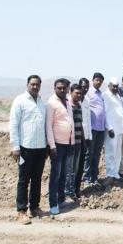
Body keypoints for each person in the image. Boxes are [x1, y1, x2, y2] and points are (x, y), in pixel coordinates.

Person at [9, 75, 47, 224]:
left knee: (37, 179)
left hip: (40, 147)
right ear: (27, 85)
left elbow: (44, 126)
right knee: (24, 180)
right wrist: (15, 147)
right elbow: (13, 125)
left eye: (37, 84)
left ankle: (35, 207)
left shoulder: (42, 103)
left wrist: (46, 147)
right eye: (32, 84)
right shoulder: (20, 101)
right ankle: (22, 211)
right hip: (25, 147)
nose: (35, 87)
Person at [46, 78, 75, 215]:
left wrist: (72, 141)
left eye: (64, 88)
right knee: (56, 175)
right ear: (54, 88)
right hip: (57, 144)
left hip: (68, 143)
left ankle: (61, 199)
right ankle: (53, 204)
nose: (62, 90)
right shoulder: (51, 103)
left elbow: (70, 122)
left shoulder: (68, 102)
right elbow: (48, 126)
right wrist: (52, 146)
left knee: (64, 173)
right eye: (59, 88)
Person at [103, 78, 123, 185]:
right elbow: (104, 112)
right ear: (109, 85)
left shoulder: (118, 96)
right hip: (112, 129)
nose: (115, 88)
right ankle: (110, 174)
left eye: (117, 86)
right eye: (113, 86)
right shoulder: (105, 95)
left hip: (120, 128)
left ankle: (115, 173)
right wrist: (109, 128)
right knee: (110, 152)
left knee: (118, 152)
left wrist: (122, 97)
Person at [83, 72, 106, 186]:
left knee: (97, 154)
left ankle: (94, 177)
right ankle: (86, 178)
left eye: (101, 81)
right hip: (92, 128)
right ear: (93, 80)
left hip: (101, 128)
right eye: (97, 80)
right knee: (89, 153)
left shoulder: (101, 94)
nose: (99, 82)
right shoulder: (88, 93)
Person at [65, 84, 84, 201]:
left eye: (80, 93)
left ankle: (71, 191)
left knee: (75, 169)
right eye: (76, 93)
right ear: (71, 92)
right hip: (69, 142)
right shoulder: (68, 106)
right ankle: (67, 193)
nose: (79, 95)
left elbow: (80, 124)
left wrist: (83, 140)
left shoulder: (79, 105)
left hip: (78, 142)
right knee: (69, 169)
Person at [75, 78, 92, 197]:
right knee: (73, 166)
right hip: (75, 139)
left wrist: (89, 137)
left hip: (85, 138)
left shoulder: (86, 101)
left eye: (87, 87)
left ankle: (76, 190)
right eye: (83, 87)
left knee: (81, 165)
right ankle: (69, 191)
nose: (85, 89)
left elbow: (88, 121)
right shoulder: (73, 102)